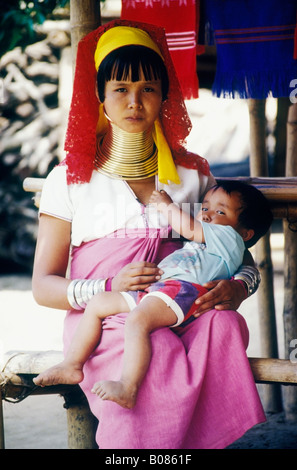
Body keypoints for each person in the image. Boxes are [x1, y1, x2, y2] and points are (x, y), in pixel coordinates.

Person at [32, 19, 267, 449]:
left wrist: (237, 287)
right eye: (121, 88)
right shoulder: (69, 180)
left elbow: (236, 253)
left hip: (180, 309)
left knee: (225, 325)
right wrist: (105, 285)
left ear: (164, 97)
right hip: (104, 320)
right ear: (99, 96)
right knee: (152, 360)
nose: (135, 101)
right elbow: (43, 287)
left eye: (148, 88)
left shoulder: (192, 175)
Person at [33, 180, 273, 412]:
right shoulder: (209, 241)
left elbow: (189, 227)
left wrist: (166, 205)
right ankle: (72, 364)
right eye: (205, 207)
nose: (207, 215)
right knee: (99, 303)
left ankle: (128, 386)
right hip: (159, 291)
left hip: (182, 292)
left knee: (137, 321)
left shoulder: (228, 238)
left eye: (220, 212)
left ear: (245, 234)